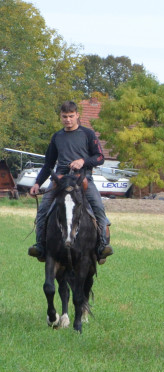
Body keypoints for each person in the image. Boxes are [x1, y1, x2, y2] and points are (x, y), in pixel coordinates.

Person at [28, 101, 113, 263]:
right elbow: (48, 164)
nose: (68, 119)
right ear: (60, 116)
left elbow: (100, 157)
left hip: (83, 179)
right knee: (43, 209)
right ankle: (40, 246)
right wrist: (37, 183)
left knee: (98, 208)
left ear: (77, 115)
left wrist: (83, 161)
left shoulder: (88, 134)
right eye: (64, 116)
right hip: (59, 180)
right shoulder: (57, 137)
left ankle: (102, 245)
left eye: (71, 116)